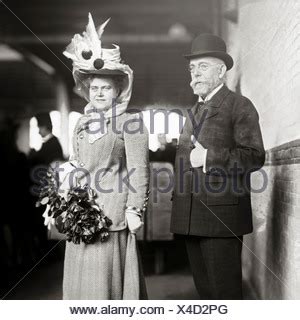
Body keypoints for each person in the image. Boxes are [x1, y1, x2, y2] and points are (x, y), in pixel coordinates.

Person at [61, 14, 149, 299]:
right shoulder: (81, 122)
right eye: (94, 88)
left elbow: (139, 169)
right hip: (80, 212)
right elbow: (76, 162)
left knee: (104, 288)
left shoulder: (130, 122)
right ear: (88, 91)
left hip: (111, 215)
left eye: (106, 88)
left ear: (118, 90)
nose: (99, 93)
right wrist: (63, 194)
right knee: (79, 287)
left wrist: (135, 209)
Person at [170, 33, 265, 299]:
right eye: (192, 68)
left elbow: (255, 156)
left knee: (225, 295)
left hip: (221, 219)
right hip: (190, 216)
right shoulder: (193, 111)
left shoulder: (239, 106)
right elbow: (184, 161)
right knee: (206, 295)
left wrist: (210, 157)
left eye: (203, 66)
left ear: (221, 70)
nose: (195, 74)